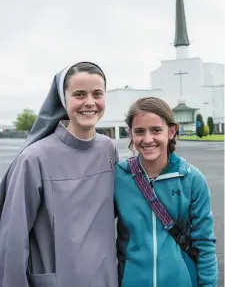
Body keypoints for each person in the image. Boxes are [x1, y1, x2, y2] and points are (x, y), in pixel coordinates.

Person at [0, 62, 118, 287]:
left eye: (97, 94)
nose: (89, 102)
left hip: (105, 279)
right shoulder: (34, 158)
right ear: (64, 100)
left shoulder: (108, 149)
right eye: (79, 94)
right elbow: (12, 240)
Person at [114, 97, 218, 287]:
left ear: (171, 131)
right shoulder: (118, 177)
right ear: (130, 133)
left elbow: (204, 244)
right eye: (139, 131)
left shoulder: (191, 179)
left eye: (155, 130)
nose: (147, 139)